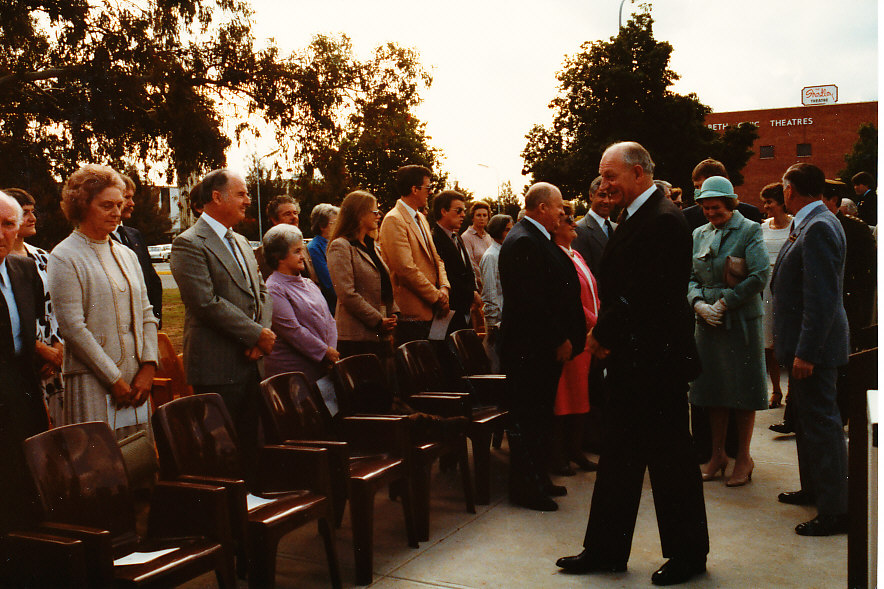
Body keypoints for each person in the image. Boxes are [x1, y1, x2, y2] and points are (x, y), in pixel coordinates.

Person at [557, 142, 708, 586]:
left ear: (639, 173)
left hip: (655, 367)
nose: (605, 185)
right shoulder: (641, 216)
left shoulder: (661, 219)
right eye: (603, 177)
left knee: (670, 463)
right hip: (634, 363)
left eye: (611, 176)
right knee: (619, 459)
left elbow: (640, 294)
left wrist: (602, 335)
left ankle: (688, 555)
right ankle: (605, 549)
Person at [170, 169, 274, 470]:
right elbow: (205, 302)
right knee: (222, 453)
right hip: (217, 367)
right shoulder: (189, 243)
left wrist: (260, 335)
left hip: (251, 362)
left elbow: (263, 291)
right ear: (217, 197)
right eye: (241, 194)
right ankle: (227, 512)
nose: (247, 200)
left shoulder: (241, 241)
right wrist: (256, 335)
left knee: (250, 445)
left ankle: (251, 507)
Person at [47, 165, 158, 441]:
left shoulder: (127, 254)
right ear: (82, 206)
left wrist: (149, 366)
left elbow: (147, 313)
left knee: (140, 463)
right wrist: (114, 380)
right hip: (93, 382)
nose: (117, 212)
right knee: (100, 469)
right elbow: (73, 328)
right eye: (106, 205)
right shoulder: (64, 256)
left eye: (119, 204)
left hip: (137, 383)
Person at [772, 163, 849, 537]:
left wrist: (807, 352)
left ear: (789, 190)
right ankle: (815, 488)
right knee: (808, 421)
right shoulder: (814, 220)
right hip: (806, 345)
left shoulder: (817, 225)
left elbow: (821, 299)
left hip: (812, 350)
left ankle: (835, 510)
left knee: (821, 424)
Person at [498, 182, 585, 512]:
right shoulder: (524, 240)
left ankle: (538, 479)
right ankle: (525, 488)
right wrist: (558, 339)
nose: (563, 212)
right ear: (542, 208)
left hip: (538, 348)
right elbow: (531, 303)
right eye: (559, 206)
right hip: (530, 349)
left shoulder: (536, 237)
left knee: (540, 419)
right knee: (529, 419)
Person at [687, 176, 769, 488]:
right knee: (712, 390)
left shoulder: (749, 230)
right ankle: (717, 455)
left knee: (743, 390)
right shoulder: (698, 233)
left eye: (717, 208)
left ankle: (743, 458)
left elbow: (760, 274)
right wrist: (698, 304)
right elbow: (691, 275)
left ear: (731, 204)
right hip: (708, 322)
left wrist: (725, 303)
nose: (711, 213)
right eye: (706, 208)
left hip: (740, 322)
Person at [0, 191, 50, 532]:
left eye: (7, 224)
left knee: (26, 492)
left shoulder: (23, 268)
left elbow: (25, 333)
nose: (0, 233)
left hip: (23, 398)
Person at [5, 187, 64, 423]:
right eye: (25, 213)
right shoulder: (4, 261)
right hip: (27, 358)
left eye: (33, 211)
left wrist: (58, 347)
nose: (32, 218)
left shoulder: (42, 257)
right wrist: (40, 350)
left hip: (55, 355)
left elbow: (56, 303)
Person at [549, 204, 600, 476]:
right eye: (567, 220)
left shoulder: (576, 253)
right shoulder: (556, 255)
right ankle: (560, 454)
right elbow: (569, 300)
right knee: (565, 397)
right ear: (555, 227)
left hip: (588, 335)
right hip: (574, 334)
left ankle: (576, 449)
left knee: (582, 395)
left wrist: (600, 319)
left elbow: (591, 289)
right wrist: (593, 321)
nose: (573, 224)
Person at [379, 165, 450, 344]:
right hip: (412, 313)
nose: (430, 192)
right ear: (414, 189)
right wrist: (436, 297)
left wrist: (444, 288)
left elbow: (436, 259)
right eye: (428, 188)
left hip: (433, 309)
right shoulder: (394, 219)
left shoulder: (421, 219)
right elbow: (405, 269)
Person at [262, 224, 338, 384]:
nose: (303, 256)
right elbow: (293, 331)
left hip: (323, 367)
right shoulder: (273, 288)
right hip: (293, 376)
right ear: (279, 257)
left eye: (302, 250)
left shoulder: (309, 283)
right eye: (296, 251)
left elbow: (330, 320)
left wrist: (332, 352)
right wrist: (325, 352)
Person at [327, 191, 398, 360]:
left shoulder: (371, 245)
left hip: (381, 333)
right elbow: (346, 292)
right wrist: (377, 320)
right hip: (357, 336)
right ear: (359, 214)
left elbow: (384, 283)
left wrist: (394, 312)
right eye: (374, 212)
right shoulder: (341, 246)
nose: (378, 216)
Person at [758, 183, 792, 412]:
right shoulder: (762, 227)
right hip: (767, 289)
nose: (766, 206)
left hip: (789, 287)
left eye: (769, 201)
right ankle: (776, 390)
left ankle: (793, 393)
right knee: (768, 343)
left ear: (781, 202)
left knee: (788, 340)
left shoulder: (796, 224)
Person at [115, 174, 163, 326]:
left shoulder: (134, 235)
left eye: (132, 197)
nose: (132, 203)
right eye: (126, 197)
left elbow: (152, 279)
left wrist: (155, 321)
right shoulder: (102, 239)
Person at [431, 190, 481, 335]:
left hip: (464, 309)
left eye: (464, 211)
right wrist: (470, 295)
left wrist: (474, 292)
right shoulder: (434, 239)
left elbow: (467, 270)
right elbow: (447, 274)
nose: (463, 215)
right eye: (458, 211)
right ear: (443, 211)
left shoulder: (457, 237)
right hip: (448, 311)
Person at [682, 158, 762, 230]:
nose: (700, 190)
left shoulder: (749, 213)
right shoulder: (687, 216)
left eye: (704, 185)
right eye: (696, 186)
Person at [478, 214, 512, 372]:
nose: (510, 233)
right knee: (496, 364)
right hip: (496, 322)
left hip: (505, 319)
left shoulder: (504, 252)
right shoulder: (491, 256)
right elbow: (490, 293)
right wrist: (492, 325)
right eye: (507, 230)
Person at [572, 176, 616, 274]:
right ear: (591, 196)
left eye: (610, 196)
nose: (607, 201)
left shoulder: (617, 228)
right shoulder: (578, 230)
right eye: (602, 195)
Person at [256, 195, 301, 280]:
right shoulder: (265, 252)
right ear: (274, 220)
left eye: (295, 213)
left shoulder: (303, 248)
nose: (294, 217)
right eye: (288, 214)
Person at [306, 203, 340, 315]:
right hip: (331, 308)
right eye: (334, 223)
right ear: (322, 226)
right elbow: (328, 283)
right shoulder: (315, 247)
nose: (338, 227)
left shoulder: (334, 244)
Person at [460, 201, 493, 276]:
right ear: (472, 218)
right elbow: (471, 264)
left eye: (484, 215)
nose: (482, 218)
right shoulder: (466, 237)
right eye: (478, 215)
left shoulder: (489, 237)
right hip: (479, 282)